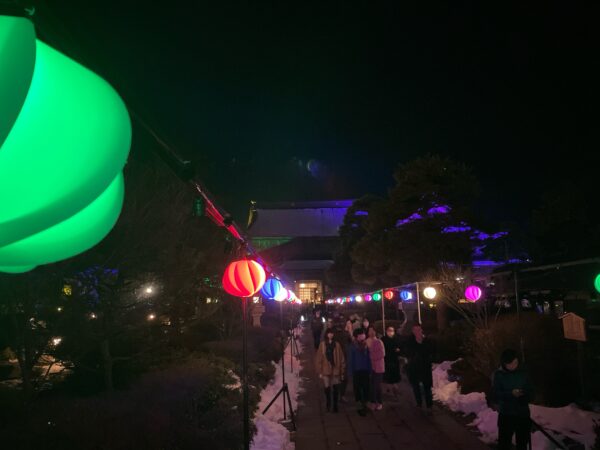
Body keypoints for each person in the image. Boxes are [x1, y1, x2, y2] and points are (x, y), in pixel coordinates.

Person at [493, 349, 533, 450]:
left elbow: (531, 390)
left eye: (515, 362)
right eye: (510, 363)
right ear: (504, 363)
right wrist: (511, 394)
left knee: (522, 443)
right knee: (504, 443)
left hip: (522, 414)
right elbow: (496, 395)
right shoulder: (499, 375)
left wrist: (526, 396)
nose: (513, 365)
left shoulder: (523, 373)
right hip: (506, 415)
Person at [405, 324, 434, 414]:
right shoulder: (410, 341)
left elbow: (432, 351)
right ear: (413, 331)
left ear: (421, 330)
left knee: (427, 387)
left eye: (419, 329)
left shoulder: (427, 341)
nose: (417, 332)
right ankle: (419, 403)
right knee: (416, 386)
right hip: (414, 367)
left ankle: (429, 405)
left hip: (425, 367)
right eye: (415, 330)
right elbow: (407, 352)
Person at [315, 328, 346, 412]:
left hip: (335, 369)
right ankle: (328, 403)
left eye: (332, 333)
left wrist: (342, 370)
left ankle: (335, 405)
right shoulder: (322, 345)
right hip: (325, 369)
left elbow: (341, 358)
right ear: (326, 334)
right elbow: (319, 358)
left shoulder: (337, 344)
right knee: (327, 387)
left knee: (336, 387)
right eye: (329, 333)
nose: (330, 335)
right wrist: (320, 371)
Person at [349, 328, 371, 416]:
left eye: (363, 334)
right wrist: (350, 371)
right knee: (358, 388)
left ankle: (365, 404)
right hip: (357, 370)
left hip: (365, 370)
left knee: (366, 387)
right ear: (356, 336)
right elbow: (351, 360)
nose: (363, 335)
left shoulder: (366, 345)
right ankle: (360, 404)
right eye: (361, 334)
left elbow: (369, 358)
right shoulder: (353, 346)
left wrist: (370, 369)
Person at [366, 326, 385, 410]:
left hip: (378, 367)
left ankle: (379, 402)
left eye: (372, 330)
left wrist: (371, 356)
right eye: (369, 331)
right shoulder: (366, 341)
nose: (371, 332)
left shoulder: (378, 341)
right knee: (372, 385)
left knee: (377, 385)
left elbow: (382, 354)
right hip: (371, 367)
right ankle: (373, 401)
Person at [381, 325, 402, 394]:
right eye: (389, 331)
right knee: (387, 373)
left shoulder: (396, 339)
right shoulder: (383, 339)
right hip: (386, 358)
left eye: (392, 331)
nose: (390, 332)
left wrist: (398, 350)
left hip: (394, 359)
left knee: (394, 373)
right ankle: (388, 386)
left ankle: (394, 386)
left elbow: (400, 347)